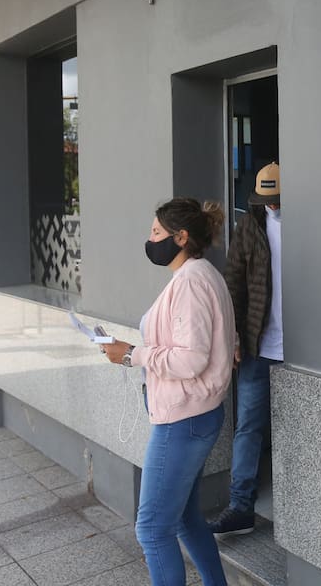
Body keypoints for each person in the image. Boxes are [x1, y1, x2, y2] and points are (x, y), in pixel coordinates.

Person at [100, 198, 235, 586]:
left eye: (157, 233)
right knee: (185, 519)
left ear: (181, 236)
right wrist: (134, 352)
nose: (150, 239)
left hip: (184, 418)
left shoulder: (191, 282)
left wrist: (132, 356)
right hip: (193, 413)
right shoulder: (200, 274)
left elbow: (191, 358)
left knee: (153, 529)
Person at [207, 162, 283, 536]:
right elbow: (232, 285)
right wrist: (235, 337)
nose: (272, 206)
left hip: (306, 352)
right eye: (266, 200)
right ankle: (240, 506)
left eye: (277, 199)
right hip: (260, 347)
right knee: (248, 427)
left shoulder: (312, 224)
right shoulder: (250, 227)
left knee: (298, 430)